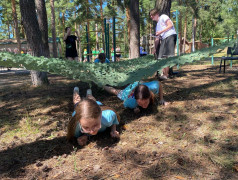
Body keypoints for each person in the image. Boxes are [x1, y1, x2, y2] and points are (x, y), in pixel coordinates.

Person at [150, 9, 177, 80]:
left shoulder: (163, 16)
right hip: (164, 38)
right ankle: (163, 74)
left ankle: (166, 75)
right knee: (161, 57)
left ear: (157, 14)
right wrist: (155, 48)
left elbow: (170, 25)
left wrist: (161, 32)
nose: (151, 16)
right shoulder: (157, 26)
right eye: (150, 15)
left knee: (166, 56)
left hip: (170, 35)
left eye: (152, 15)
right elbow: (157, 38)